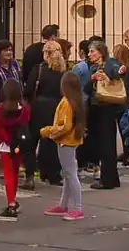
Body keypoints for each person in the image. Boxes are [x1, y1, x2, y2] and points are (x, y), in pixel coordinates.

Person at [75, 39, 124, 190]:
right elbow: (87, 90)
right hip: (96, 107)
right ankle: (111, 177)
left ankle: (107, 179)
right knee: (102, 144)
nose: (89, 54)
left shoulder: (110, 63)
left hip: (107, 108)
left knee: (107, 144)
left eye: (92, 51)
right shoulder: (93, 68)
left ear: (100, 52)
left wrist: (120, 70)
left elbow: (117, 71)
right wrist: (92, 79)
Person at [41, 70, 87, 220]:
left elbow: (65, 126)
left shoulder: (66, 103)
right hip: (70, 140)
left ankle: (78, 208)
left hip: (65, 141)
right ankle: (63, 204)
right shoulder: (75, 100)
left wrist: (48, 131)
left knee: (71, 174)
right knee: (68, 174)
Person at [24, 40, 66, 190]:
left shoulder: (39, 69)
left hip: (38, 108)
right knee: (52, 141)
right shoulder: (63, 72)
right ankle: (52, 174)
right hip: (56, 109)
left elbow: (28, 90)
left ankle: (30, 176)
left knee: (31, 142)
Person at [0, 77, 31, 222]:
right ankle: (13, 200)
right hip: (19, 144)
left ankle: (11, 205)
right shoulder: (25, 109)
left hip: (5, 146)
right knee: (15, 173)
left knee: (8, 176)